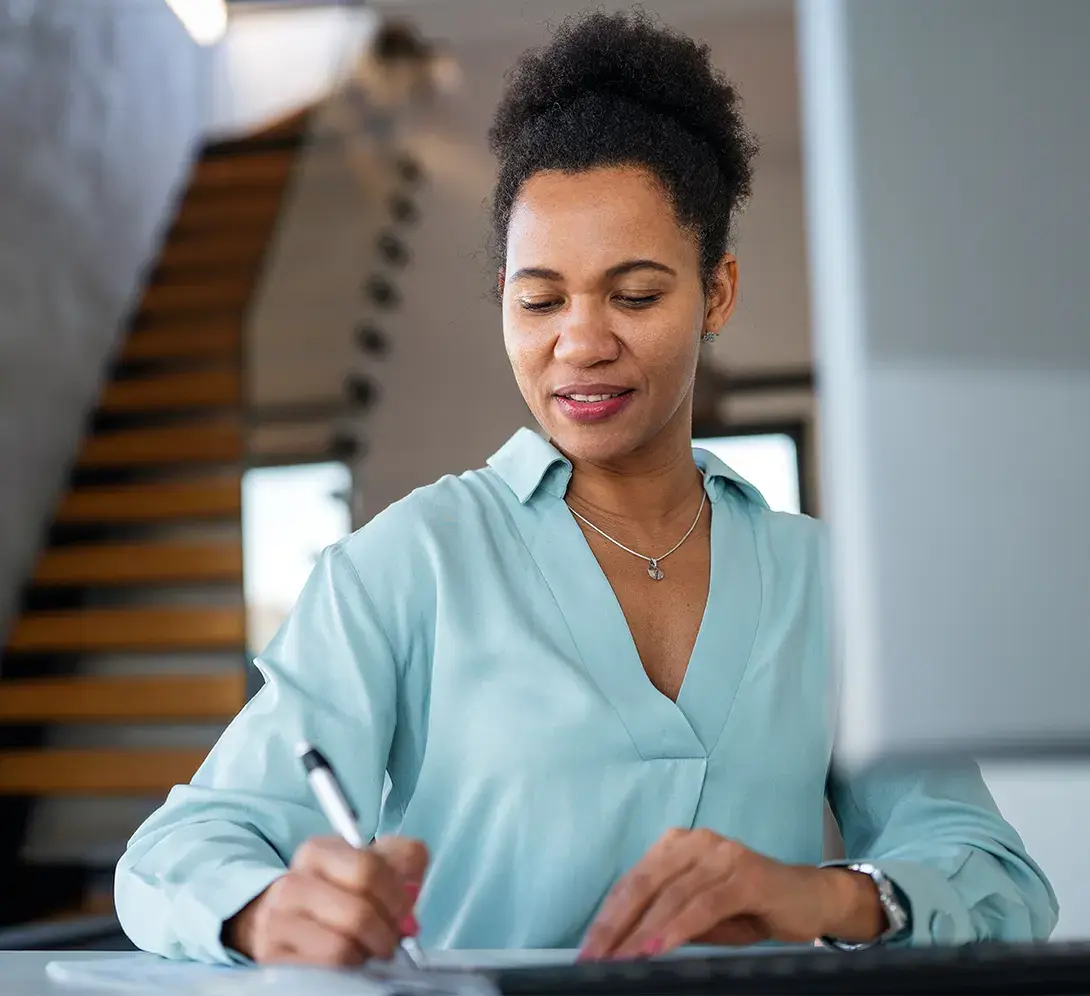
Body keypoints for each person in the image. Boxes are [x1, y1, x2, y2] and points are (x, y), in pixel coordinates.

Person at [115, 10, 1057, 967]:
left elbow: (996, 881)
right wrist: (268, 909)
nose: (580, 341)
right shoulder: (408, 564)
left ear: (718, 292)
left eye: (636, 294)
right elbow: (176, 852)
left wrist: (815, 894)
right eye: (539, 300)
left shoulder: (825, 585)